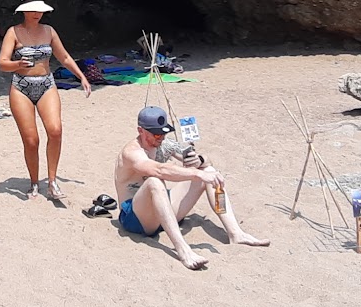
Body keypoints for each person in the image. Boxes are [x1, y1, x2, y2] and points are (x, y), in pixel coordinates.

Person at [113, 106, 269, 270]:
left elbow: (204, 160)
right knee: (154, 181)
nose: (161, 137)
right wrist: (195, 174)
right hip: (136, 218)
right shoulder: (132, 152)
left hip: (163, 210)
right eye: (157, 134)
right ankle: (183, 250)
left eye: (164, 132)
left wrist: (199, 161)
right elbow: (159, 170)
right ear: (141, 130)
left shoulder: (164, 144)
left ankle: (236, 233)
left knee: (209, 172)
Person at [0, 0, 90, 202]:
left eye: (39, 9)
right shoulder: (14, 32)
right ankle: (33, 182)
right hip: (21, 86)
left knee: (55, 130)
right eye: (32, 9)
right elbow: (2, 63)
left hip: (46, 83)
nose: (37, 13)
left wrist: (81, 76)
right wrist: (17, 64)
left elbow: (64, 57)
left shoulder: (49, 31)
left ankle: (52, 181)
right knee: (31, 140)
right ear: (24, 10)